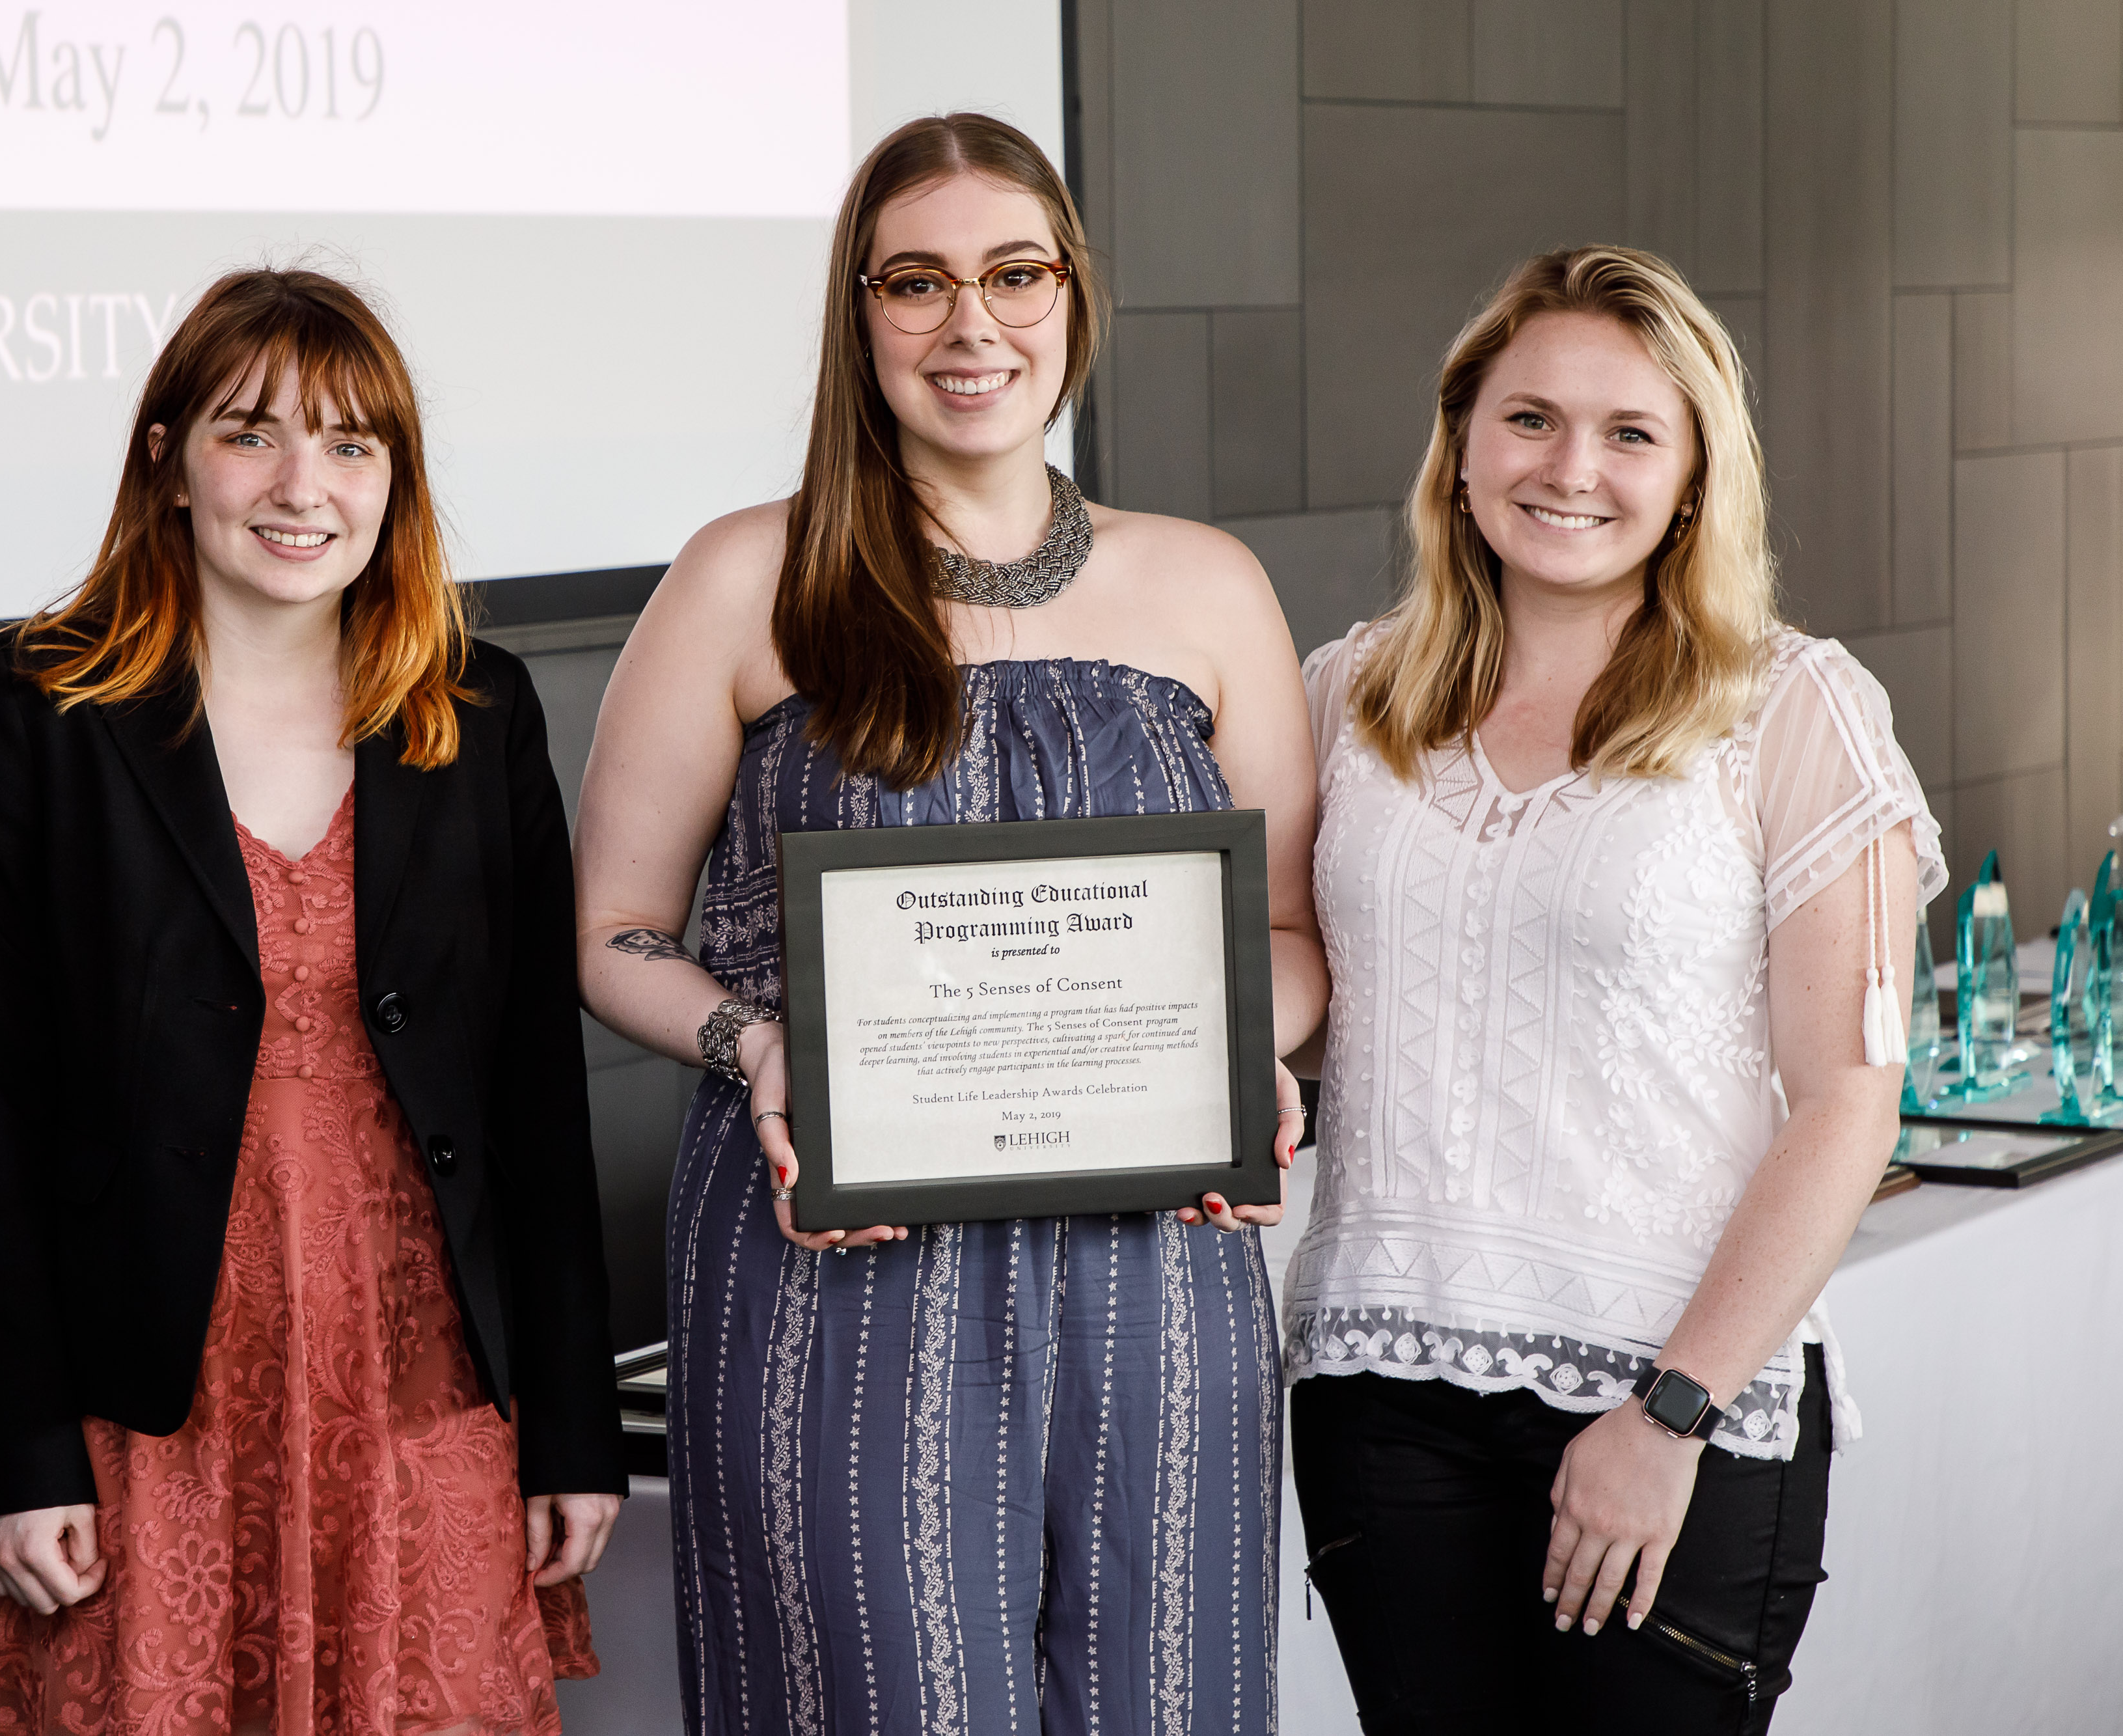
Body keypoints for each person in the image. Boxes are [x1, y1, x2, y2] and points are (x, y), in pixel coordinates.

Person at [574, 114, 1328, 1735]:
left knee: (1161, 1686)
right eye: (913, 283)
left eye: (1011, 274)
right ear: (858, 318)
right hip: (835, 1248)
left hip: (1155, 1247)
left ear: (1073, 298)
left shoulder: (1205, 586)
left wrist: (1234, 1050)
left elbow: (1283, 933)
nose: (967, 324)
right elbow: (615, 928)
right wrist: (759, 1038)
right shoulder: (742, 577)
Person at [0, 268, 625, 1736]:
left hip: (419, 1377)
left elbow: (538, 1096)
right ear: (166, 458)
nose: (304, 486)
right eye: (252, 433)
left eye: (352, 445)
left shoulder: (478, 710)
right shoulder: (37, 709)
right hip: (144, 1394)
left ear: (394, 484)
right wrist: (18, 1443)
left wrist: (572, 1418)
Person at [1284, 247, 1942, 1733]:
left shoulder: (1792, 706)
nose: (1570, 467)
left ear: (1693, 475)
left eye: (1629, 432)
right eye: (1527, 419)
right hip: (1379, 1378)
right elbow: (1305, 990)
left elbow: (1848, 1096)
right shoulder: (1346, 694)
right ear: (1457, 451)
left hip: (1671, 1397)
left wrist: (1669, 1410)